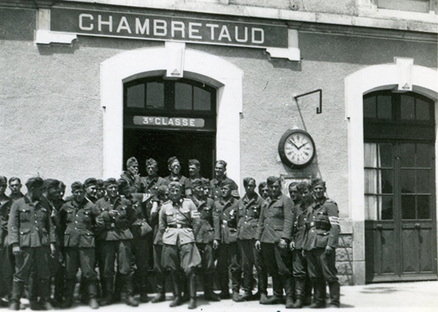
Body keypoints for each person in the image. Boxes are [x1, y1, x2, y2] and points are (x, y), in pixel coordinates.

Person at [8, 177, 56, 311]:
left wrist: (52, 242)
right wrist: (15, 244)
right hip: (25, 245)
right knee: (20, 273)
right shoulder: (18, 204)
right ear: (32, 189)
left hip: (42, 244)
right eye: (40, 190)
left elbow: (50, 225)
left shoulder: (44, 204)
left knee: (44, 273)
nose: (42, 192)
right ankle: (15, 301)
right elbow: (13, 225)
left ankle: (44, 300)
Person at [95, 178, 139, 307]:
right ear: (106, 189)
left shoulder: (125, 201)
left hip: (123, 236)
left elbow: (133, 217)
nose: (113, 190)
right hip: (107, 237)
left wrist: (125, 228)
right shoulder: (99, 203)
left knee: (125, 267)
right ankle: (108, 295)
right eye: (110, 188)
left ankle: (128, 295)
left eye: (115, 187)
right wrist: (107, 215)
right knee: (107, 267)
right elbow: (97, 220)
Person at [159, 181, 201, 309]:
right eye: (172, 191)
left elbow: (197, 221)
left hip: (186, 237)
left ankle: (192, 297)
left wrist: (191, 234)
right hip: (170, 238)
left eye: (177, 190)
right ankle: (177, 296)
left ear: (181, 192)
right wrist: (169, 235)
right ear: (169, 193)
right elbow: (161, 225)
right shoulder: (165, 207)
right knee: (173, 268)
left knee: (190, 269)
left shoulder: (189, 203)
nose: (175, 193)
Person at [59, 182, 100, 309]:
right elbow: (61, 224)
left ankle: (92, 297)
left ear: (84, 192)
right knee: (70, 272)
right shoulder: (65, 207)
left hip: (86, 244)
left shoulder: (91, 206)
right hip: (70, 244)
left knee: (88, 272)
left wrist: (91, 233)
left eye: (80, 192)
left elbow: (99, 222)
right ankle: (69, 298)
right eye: (76, 192)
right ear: (72, 193)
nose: (78, 195)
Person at [255, 176, 295, 308]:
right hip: (266, 240)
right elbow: (261, 221)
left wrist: (285, 238)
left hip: (279, 240)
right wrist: (258, 239)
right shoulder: (265, 202)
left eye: (276, 187)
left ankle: (289, 296)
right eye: (271, 187)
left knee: (283, 269)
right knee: (273, 269)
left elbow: (289, 221)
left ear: (280, 187)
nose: (273, 189)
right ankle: (277, 295)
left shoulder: (286, 201)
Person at [303, 179, 340, 308]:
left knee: (329, 274)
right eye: (315, 189)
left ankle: (335, 302)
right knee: (315, 275)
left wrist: (331, 245)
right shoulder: (311, 207)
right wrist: (305, 246)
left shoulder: (330, 205)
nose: (318, 191)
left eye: (320, 188)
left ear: (324, 189)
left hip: (324, 245)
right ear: (312, 191)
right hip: (311, 245)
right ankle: (320, 300)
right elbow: (307, 228)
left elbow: (335, 227)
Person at [236, 177, 267, 303]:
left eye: (253, 186)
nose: (251, 188)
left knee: (259, 265)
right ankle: (247, 291)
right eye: (248, 186)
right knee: (246, 266)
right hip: (243, 237)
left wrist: (258, 237)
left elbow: (262, 220)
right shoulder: (240, 201)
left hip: (255, 237)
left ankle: (263, 292)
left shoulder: (260, 201)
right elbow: (239, 218)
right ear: (244, 186)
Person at [190, 179, 220, 302]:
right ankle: (191, 294)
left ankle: (209, 292)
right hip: (193, 237)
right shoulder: (188, 202)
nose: (201, 190)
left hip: (207, 237)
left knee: (209, 266)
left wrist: (216, 238)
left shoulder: (210, 202)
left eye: (203, 188)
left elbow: (216, 220)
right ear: (193, 189)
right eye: (198, 188)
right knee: (192, 266)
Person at [213, 180, 241, 301]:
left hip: (232, 237)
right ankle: (224, 290)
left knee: (234, 265)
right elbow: (216, 222)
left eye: (226, 189)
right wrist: (216, 238)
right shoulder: (217, 204)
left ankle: (235, 290)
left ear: (231, 190)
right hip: (222, 239)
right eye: (222, 189)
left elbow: (239, 221)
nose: (223, 191)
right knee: (221, 266)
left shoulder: (236, 203)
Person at [40, 179, 64, 308]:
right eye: (55, 189)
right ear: (47, 189)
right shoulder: (41, 203)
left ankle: (50, 298)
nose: (58, 192)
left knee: (54, 269)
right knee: (45, 271)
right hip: (45, 242)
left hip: (54, 241)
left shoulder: (52, 203)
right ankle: (44, 299)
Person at [290, 182, 313, 308]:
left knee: (311, 272)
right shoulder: (297, 208)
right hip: (298, 243)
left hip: (310, 243)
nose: (303, 195)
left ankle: (308, 297)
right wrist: (293, 239)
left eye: (305, 192)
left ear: (310, 193)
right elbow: (294, 226)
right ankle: (299, 298)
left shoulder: (314, 207)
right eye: (301, 193)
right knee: (298, 272)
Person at [148, 185, 168, 303]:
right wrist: (155, 202)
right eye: (163, 195)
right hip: (159, 236)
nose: (166, 197)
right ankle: (160, 292)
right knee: (158, 266)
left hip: (174, 237)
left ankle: (179, 293)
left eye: (167, 194)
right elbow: (151, 215)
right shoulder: (155, 205)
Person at [0, 176, 13, 306]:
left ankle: (6, 295)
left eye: (3, 185)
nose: (1, 188)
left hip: (5, 238)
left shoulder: (10, 202)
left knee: (6, 269)